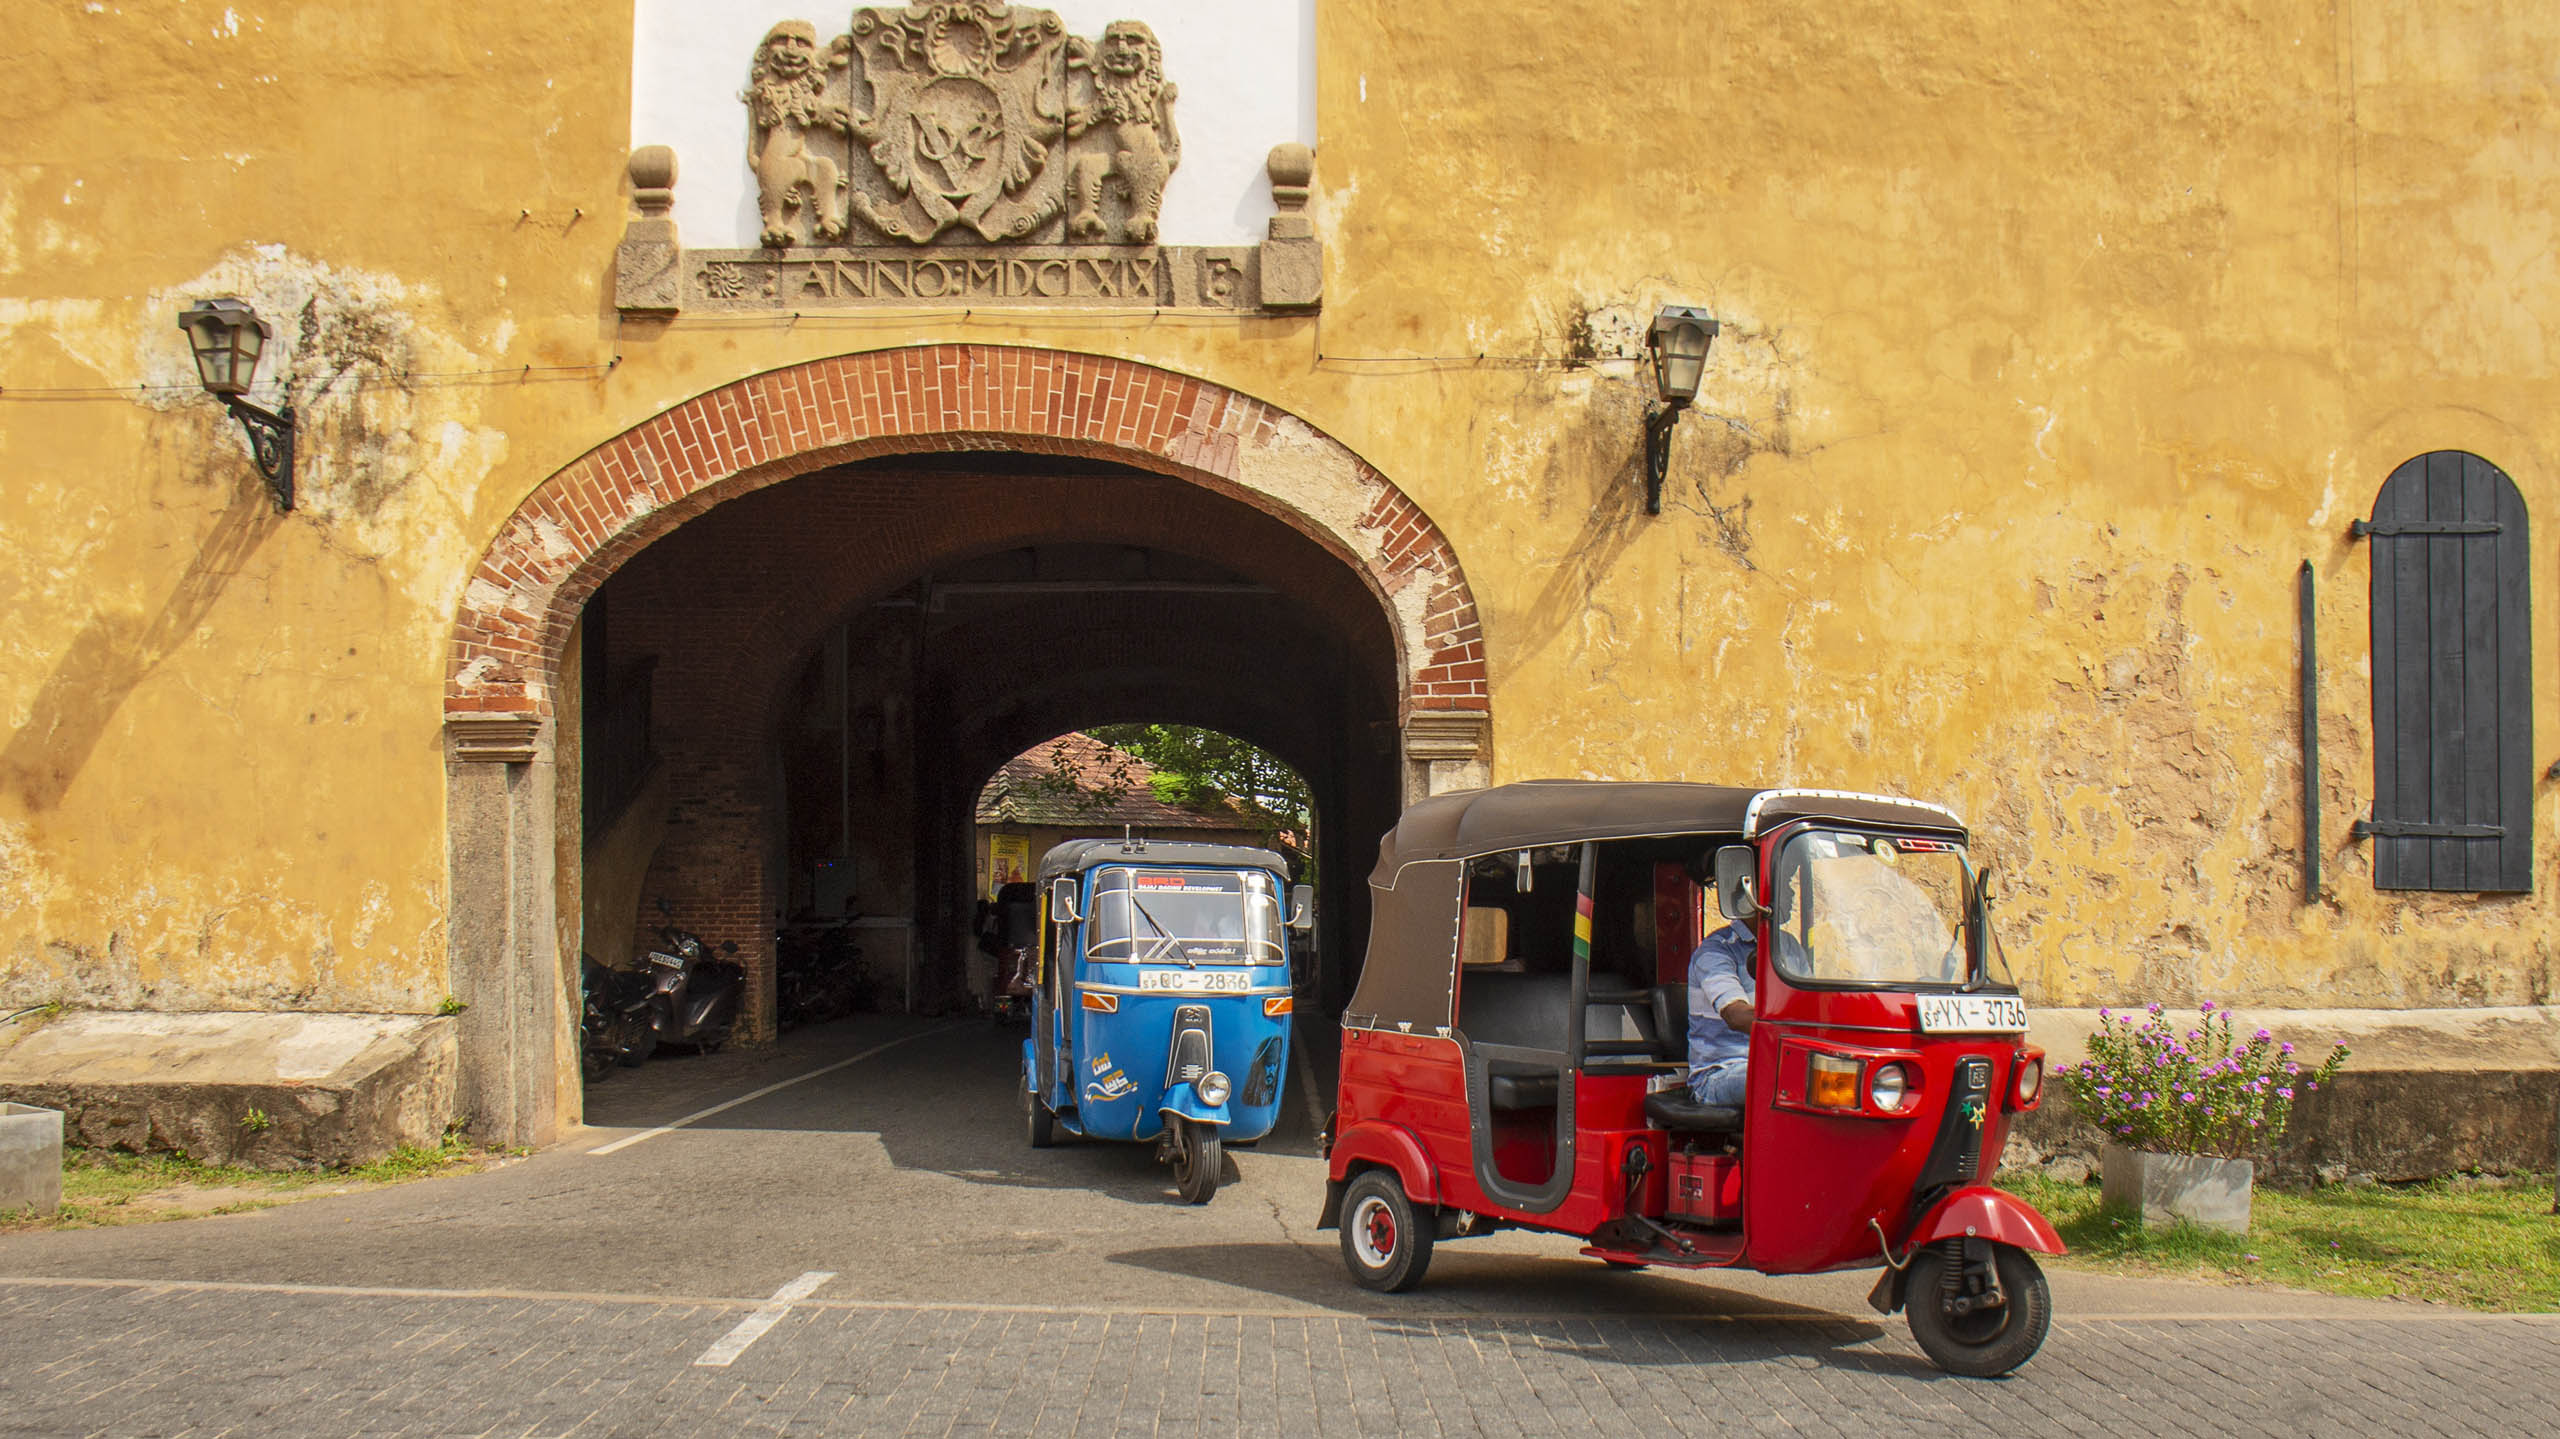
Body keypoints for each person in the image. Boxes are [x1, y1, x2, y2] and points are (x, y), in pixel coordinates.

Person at [1686, 917, 1756, 1106]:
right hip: (1719, 1073)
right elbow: (1735, 1015)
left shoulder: (1789, 948)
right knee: (1780, 1079)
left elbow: (1810, 1005)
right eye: (1785, 888)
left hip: (1771, 1061)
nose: (1790, 895)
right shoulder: (1715, 951)